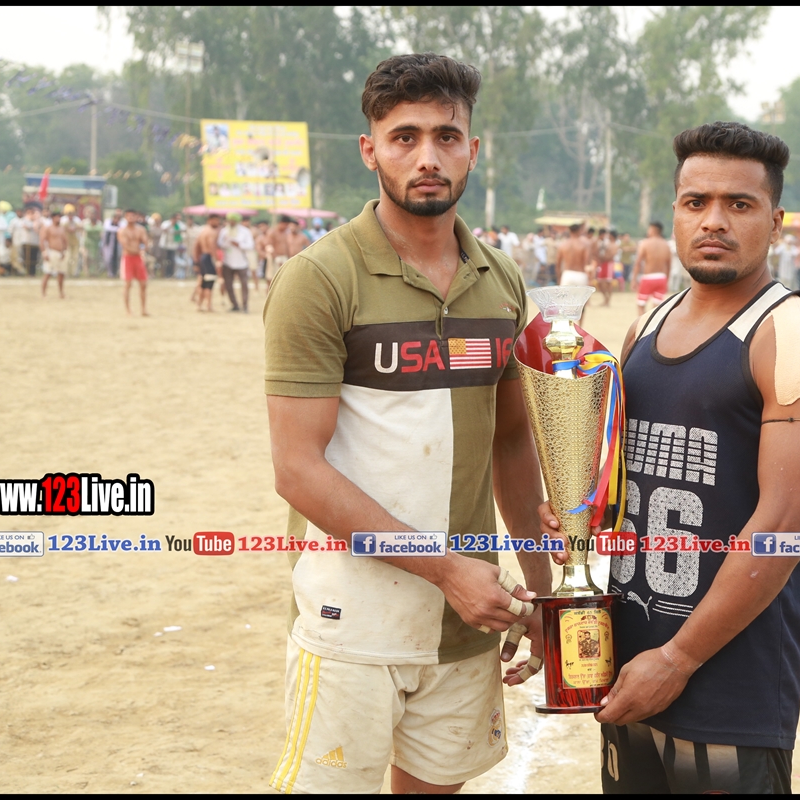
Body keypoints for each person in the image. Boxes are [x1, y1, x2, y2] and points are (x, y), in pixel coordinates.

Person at [263, 52, 551, 795]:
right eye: (405, 137)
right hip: (352, 617)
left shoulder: (501, 279)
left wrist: (541, 590)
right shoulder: (319, 277)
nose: (428, 157)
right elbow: (297, 470)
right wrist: (448, 571)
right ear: (370, 150)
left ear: (472, 149)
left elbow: (511, 441)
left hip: (468, 621)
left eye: (446, 137)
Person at [537, 121, 800, 794]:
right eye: (696, 202)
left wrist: (678, 658)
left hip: (727, 683)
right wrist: (577, 512)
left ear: (776, 222)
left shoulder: (794, 333)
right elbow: (618, 485)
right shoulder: (644, 327)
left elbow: (782, 525)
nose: (714, 221)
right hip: (628, 665)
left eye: (740, 204)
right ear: (675, 211)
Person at [630, 221, 672, 314]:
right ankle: (654, 323)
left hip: (648, 278)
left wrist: (633, 279)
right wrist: (667, 281)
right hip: (661, 278)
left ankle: (643, 323)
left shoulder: (645, 243)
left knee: (641, 305)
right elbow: (669, 265)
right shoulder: (666, 245)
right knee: (657, 308)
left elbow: (638, 263)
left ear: (653, 230)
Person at [217, 212, 254, 312]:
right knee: (228, 284)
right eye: (230, 220)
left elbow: (250, 245)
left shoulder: (245, 231)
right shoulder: (224, 231)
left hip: (242, 262)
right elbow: (220, 244)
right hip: (227, 261)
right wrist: (227, 242)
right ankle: (235, 305)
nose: (231, 222)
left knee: (244, 284)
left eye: (233, 220)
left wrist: (239, 244)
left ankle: (245, 305)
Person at [118, 208, 150, 316]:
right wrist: (139, 251)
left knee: (143, 284)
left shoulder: (141, 230)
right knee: (128, 284)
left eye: (133, 216)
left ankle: (143, 309)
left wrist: (143, 250)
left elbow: (145, 241)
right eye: (128, 216)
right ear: (125, 217)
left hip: (138, 258)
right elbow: (125, 245)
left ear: (137, 217)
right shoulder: (122, 231)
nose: (131, 218)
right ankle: (128, 310)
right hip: (128, 258)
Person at [192, 214, 222, 311]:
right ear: (210, 220)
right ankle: (208, 305)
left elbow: (196, 247)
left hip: (203, 257)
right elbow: (212, 246)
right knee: (209, 283)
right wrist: (217, 260)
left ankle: (199, 305)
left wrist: (196, 261)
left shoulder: (202, 231)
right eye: (216, 220)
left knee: (203, 283)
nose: (217, 222)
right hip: (209, 258)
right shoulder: (212, 232)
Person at [38, 210, 69, 298]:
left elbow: (65, 241)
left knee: (61, 273)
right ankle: (43, 293)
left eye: (59, 217)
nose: (58, 219)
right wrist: (44, 252)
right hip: (52, 252)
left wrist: (64, 251)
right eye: (57, 217)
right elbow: (42, 241)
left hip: (61, 253)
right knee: (48, 273)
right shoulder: (48, 228)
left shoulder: (62, 228)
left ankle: (61, 293)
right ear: (53, 218)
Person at [556, 223, 591, 288]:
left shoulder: (563, 245)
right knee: (581, 294)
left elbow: (558, 264)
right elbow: (587, 262)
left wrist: (559, 277)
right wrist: (590, 277)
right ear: (579, 231)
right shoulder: (584, 245)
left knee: (566, 295)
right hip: (580, 274)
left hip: (567, 275)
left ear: (569, 231)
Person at [594, 228, 618, 306]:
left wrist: (602, 258)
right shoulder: (607, 243)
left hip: (608, 264)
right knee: (600, 282)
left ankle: (607, 300)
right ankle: (606, 299)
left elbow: (611, 256)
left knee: (608, 282)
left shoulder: (614, 245)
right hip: (603, 264)